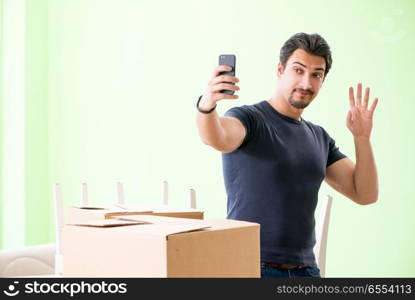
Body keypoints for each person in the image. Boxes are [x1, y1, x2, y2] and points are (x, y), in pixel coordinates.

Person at [196, 32, 379, 278]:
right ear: (280, 69)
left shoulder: (319, 137)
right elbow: (215, 137)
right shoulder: (249, 119)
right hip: (253, 268)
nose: (306, 83)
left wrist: (362, 139)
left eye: (316, 75)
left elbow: (364, 194)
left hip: (307, 271)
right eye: (298, 70)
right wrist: (207, 105)